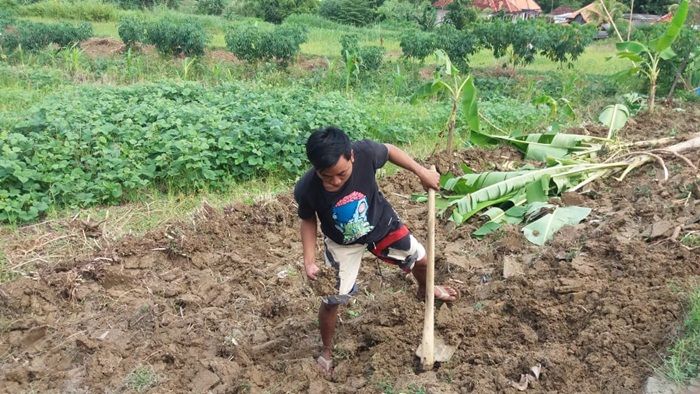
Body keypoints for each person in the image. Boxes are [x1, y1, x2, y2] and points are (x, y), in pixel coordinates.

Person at [293, 126, 459, 375]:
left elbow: (390, 151)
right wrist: (309, 260)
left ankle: (426, 289)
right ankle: (326, 350)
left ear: (352, 156)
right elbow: (307, 220)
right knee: (332, 300)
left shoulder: (366, 152)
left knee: (422, 261)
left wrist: (421, 171)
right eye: (327, 176)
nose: (335, 181)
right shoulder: (307, 188)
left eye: (341, 174)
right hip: (342, 244)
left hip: (381, 225)